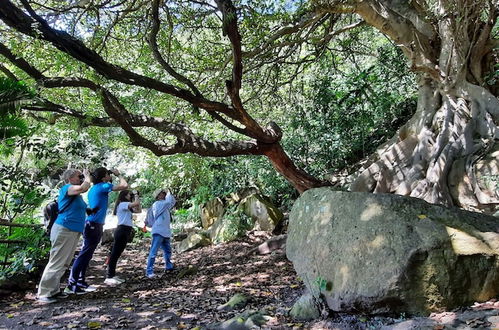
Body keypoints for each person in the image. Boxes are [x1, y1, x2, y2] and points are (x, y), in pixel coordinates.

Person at [65, 167, 128, 294]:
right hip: (93, 224)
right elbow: (124, 186)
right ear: (104, 177)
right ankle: (72, 284)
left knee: (86, 254)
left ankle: (80, 281)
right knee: (84, 254)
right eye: (108, 174)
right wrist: (118, 174)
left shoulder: (96, 187)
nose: (110, 176)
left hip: (92, 224)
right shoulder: (102, 186)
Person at [37, 168, 91, 304]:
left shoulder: (76, 195)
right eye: (79, 176)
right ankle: (44, 293)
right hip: (64, 229)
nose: (81, 178)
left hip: (72, 230)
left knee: (64, 262)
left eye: (81, 176)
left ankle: (54, 290)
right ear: (70, 178)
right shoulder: (66, 188)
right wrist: (87, 176)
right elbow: (84, 188)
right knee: (56, 261)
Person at [104, 189, 141, 285]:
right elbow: (136, 204)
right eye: (129, 194)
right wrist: (136, 195)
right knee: (115, 253)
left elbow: (139, 210)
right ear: (124, 196)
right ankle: (109, 275)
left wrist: (136, 197)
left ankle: (112, 274)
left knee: (117, 253)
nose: (131, 196)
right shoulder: (123, 204)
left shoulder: (127, 206)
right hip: (121, 230)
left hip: (126, 230)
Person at [145, 188, 176, 278]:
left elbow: (171, 202)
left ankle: (168, 266)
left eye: (164, 193)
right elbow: (169, 202)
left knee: (167, 250)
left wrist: (169, 193)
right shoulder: (158, 204)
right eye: (162, 193)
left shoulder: (164, 205)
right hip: (158, 231)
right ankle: (149, 271)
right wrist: (169, 193)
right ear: (158, 196)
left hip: (164, 231)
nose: (164, 194)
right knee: (153, 251)